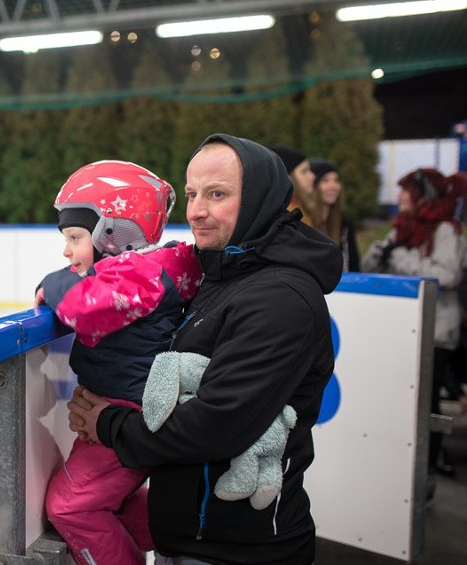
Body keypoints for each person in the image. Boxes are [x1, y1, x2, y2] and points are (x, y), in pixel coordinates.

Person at [66, 134, 344, 565]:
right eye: (193, 193)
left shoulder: (279, 297)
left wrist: (109, 424)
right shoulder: (221, 272)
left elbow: (216, 426)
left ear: (259, 200)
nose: (197, 210)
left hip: (239, 551)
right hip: (195, 536)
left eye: (217, 194)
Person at [34, 160, 203, 565]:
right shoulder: (156, 267)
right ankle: (187, 531)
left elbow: (82, 307)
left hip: (126, 411)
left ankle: (189, 534)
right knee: (116, 501)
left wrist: (52, 283)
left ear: (114, 233)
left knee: (69, 506)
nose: (66, 249)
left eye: (75, 236)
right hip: (123, 406)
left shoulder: (138, 275)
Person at [361, 168, 467, 484]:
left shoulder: (447, 231)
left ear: (423, 194)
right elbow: (370, 266)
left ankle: (429, 468)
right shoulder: (403, 228)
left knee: (426, 404)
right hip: (403, 328)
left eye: (406, 190)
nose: (399, 197)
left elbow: (447, 276)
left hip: (435, 331)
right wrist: (381, 252)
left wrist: (401, 257)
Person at [309, 157, 360, 272]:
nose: (333, 186)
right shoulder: (303, 221)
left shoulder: (344, 222)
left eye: (336, 180)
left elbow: (354, 264)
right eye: (325, 180)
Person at [268, 144, 317, 228]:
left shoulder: (299, 207)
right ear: (287, 176)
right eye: (304, 171)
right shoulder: (288, 215)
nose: (313, 176)